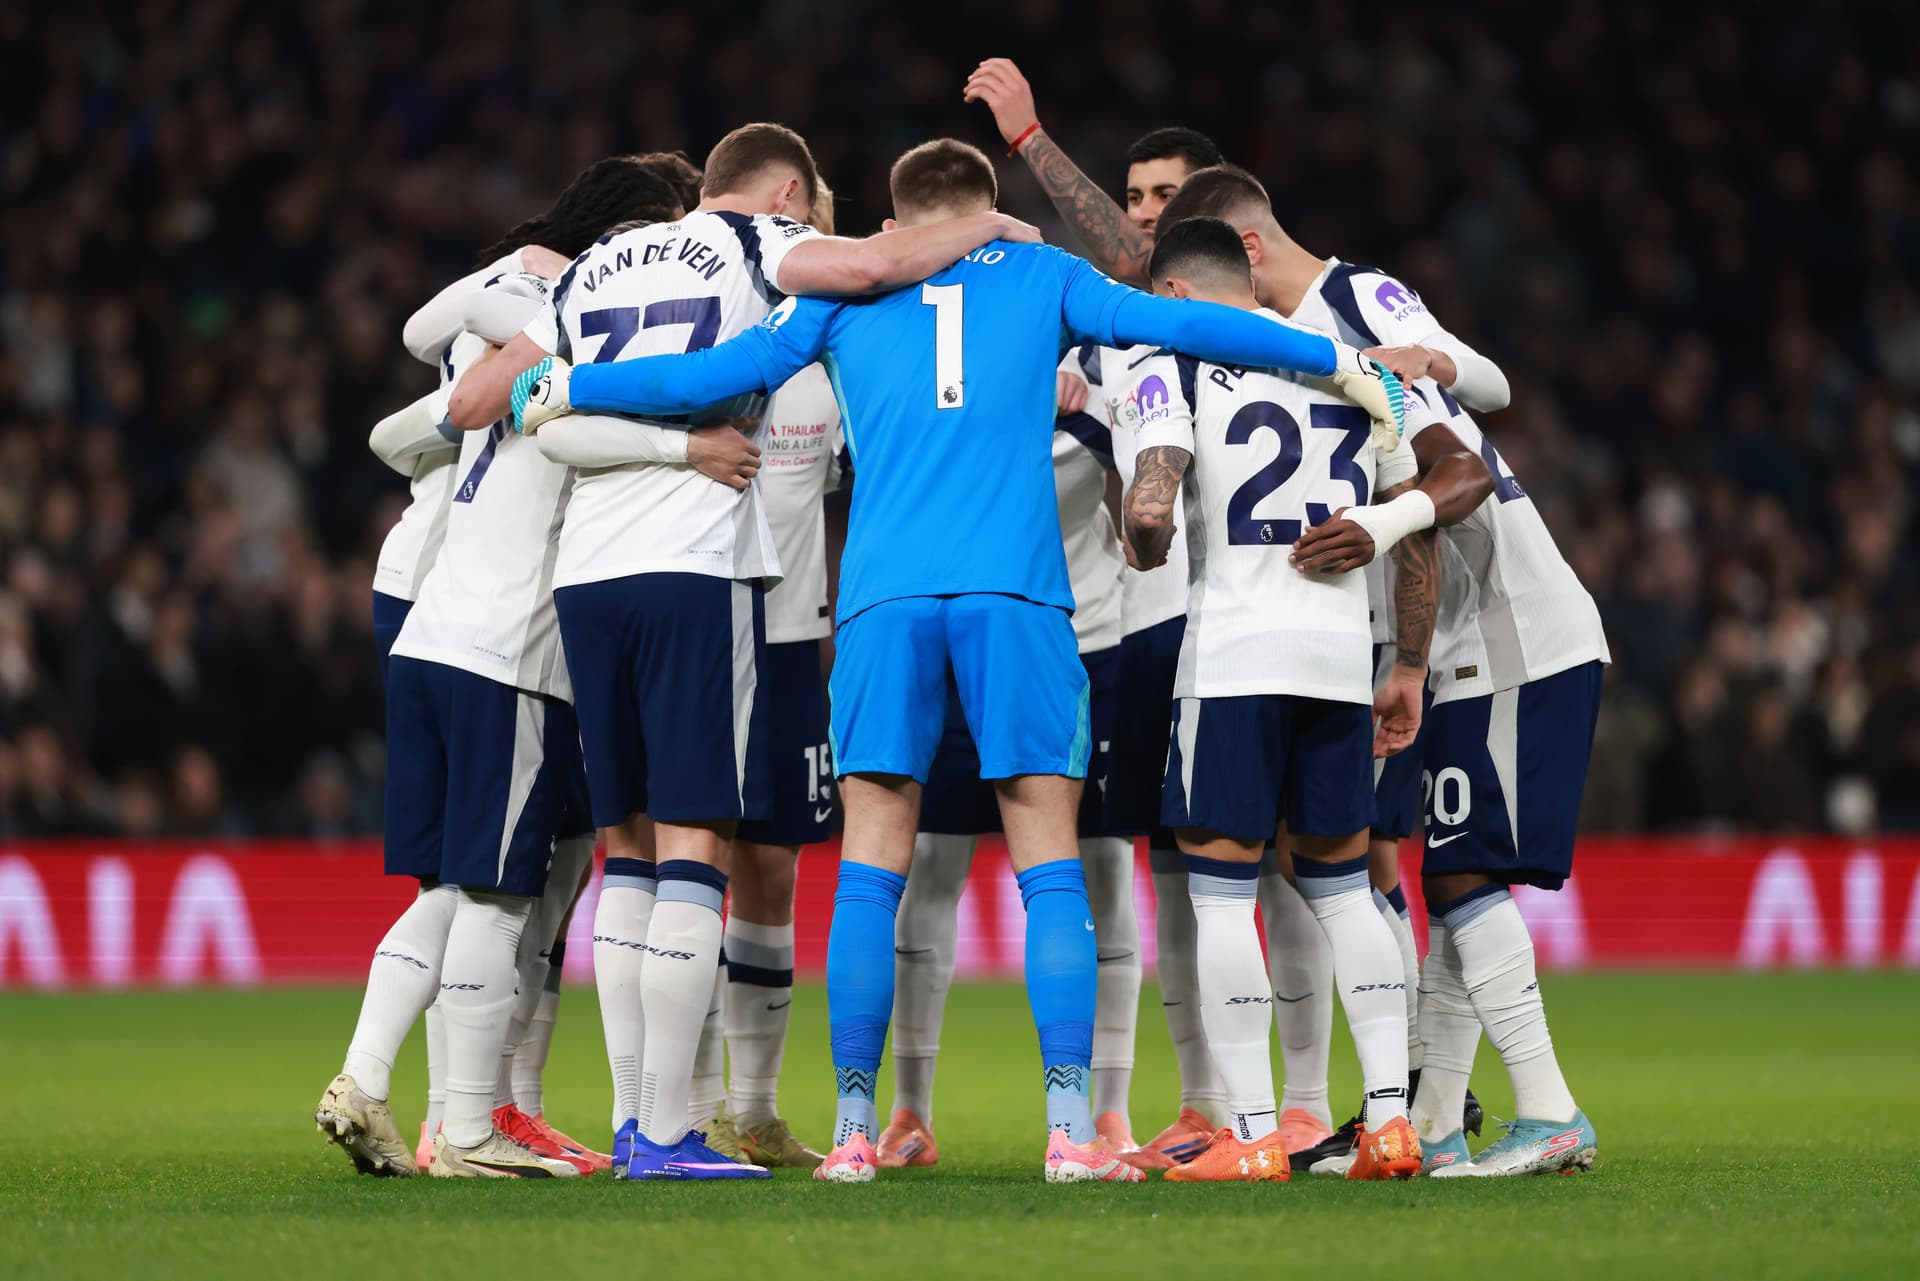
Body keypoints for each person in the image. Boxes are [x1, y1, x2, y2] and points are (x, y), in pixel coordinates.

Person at [511, 137, 1406, 1183]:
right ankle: (1073, 1132)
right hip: (1016, 596)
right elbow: (1187, 319)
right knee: (1050, 864)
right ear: (993, 207)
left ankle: (853, 1132)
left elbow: (726, 373)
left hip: (885, 600)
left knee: (869, 872)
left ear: (897, 223)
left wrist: (569, 384)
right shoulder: (1047, 272)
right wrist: (1338, 360)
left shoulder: (844, 293)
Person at [447, 122, 1037, 1181]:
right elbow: (873, 262)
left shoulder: (593, 268)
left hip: (586, 573)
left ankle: (641, 1118)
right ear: (778, 194)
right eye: (807, 204)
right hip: (694, 562)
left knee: (627, 850)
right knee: (696, 850)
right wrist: (987, 224)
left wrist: (557, 368)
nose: (815, 222)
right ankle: (667, 1133)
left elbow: (483, 402)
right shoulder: (754, 246)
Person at [963, 67, 1337, 1166]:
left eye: (1162, 196)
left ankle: (1306, 1099)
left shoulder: (1234, 319)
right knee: (1179, 869)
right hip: (1143, 630)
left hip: (1247, 623)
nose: (1140, 215)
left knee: (1284, 868)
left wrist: (1030, 136)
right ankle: (1207, 1102)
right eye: (1132, 194)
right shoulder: (1115, 330)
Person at [314, 158, 688, 1180]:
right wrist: (685, 454)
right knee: (493, 895)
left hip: (432, 627)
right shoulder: (585, 326)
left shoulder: (501, 316)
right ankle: (465, 1128)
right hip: (512, 652)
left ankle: (376, 1083)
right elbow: (564, 433)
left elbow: (423, 356)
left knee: (458, 887)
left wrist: (508, 271)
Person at [1119, 217, 1493, 1181]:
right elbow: (1418, 527)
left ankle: (1248, 1138)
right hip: (1336, 661)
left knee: (1221, 896)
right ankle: (1388, 1124)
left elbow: (1155, 500)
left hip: (1234, 660)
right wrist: (1405, 662)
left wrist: (1145, 533)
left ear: (1173, 295)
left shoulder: (1172, 361)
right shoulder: (1355, 366)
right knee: (1343, 891)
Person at [876, 352, 1136, 1168]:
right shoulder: (952, 376)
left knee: (1101, 880)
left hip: (1086, 646)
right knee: (929, 877)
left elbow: (1142, 516)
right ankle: (909, 1111)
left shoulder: (1101, 382)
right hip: (957, 645)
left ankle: (1108, 1112)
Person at [685, 181, 848, 1172]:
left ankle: (752, 1107)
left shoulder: (841, 351)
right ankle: (684, 1103)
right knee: (687, 855)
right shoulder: (710, 339)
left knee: (774, 867)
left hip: (795, 639)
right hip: (707, 623)